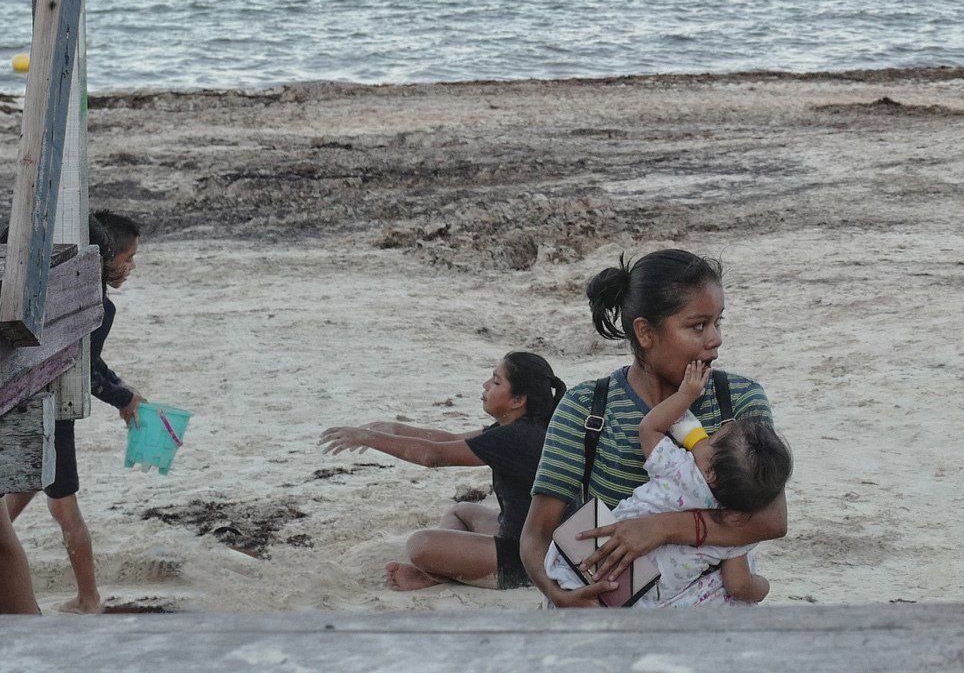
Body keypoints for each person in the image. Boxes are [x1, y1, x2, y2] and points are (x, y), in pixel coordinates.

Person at [520, 249, 786, 608]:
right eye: (698, 325)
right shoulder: (587, 408)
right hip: (608, 613)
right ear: (645, 332)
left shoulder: (737, 400)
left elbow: (771, 520)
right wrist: (558, 593)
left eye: (718, 323)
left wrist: (660, 528)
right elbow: (536, 534)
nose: (716, 339)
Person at [543, 359, 790, 605]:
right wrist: (764, 586)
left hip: (599, 559)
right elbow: (739, 585)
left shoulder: (681, 471)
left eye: (715, 438)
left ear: (710, 469)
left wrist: (686, 395)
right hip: (645, 599)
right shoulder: (738, 526)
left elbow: (649, 428)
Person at [319, 351, 565, 591]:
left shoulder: (516, 436)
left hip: (526, 559)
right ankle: (441, 571)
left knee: (420, 544)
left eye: (496, 381)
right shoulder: (529, 425)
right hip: (534, 541)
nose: (485, 384)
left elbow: (434, 456)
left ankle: (438, 572)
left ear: (517, 400)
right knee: (461, 512)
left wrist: (368, 438)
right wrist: (393, 428)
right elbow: (451, 439)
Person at [3, 209, 146, 614]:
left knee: (29, 484)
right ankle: (89, 598)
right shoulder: (99, 308)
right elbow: (87, 371)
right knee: (64, 507)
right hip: (55, 413)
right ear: (104, 257)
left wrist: (126, 394)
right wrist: (124, 398)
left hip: (26, 401)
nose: (131, 267)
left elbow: (89, 364)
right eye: (128, 258)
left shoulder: (50, 292)